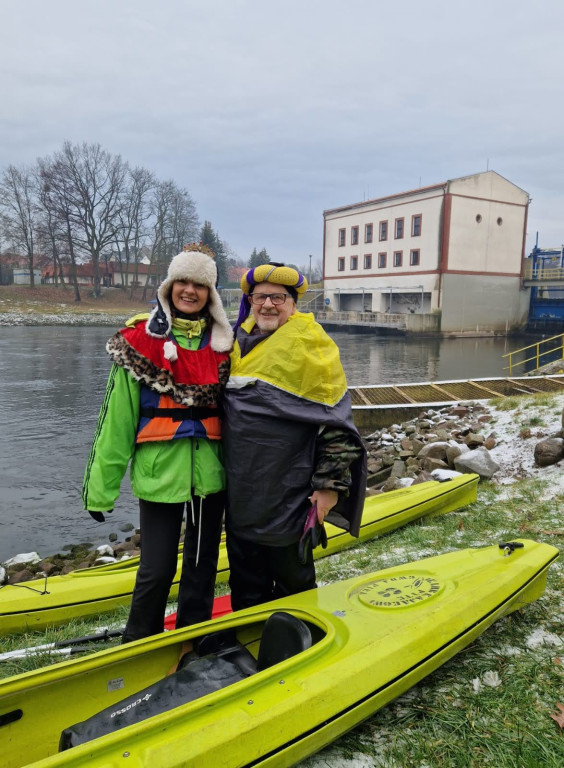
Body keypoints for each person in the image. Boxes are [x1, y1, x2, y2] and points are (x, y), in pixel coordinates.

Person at [82, 245, 233, 642]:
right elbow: (116, 424)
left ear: (211, 294)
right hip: (158, 476)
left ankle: (192, 641)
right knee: (157, 568)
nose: (190, 291)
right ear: (169, 286)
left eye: (200, 284)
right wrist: (100, 491)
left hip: (211, 478)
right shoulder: (139, 343)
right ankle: (137, 643)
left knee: (202, 567)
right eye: (183, 281)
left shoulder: (225, 348)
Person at [223, 263, 367, 611]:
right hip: (241, 493)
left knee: (295, 587)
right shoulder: (231, 344)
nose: (268, 304)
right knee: (246, 585)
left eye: (278, 297)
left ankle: (302, 643)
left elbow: (337, 424)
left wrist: (329, 487)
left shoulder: (312, 347)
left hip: (290, 495)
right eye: (260, 297)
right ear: (250, 300)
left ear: (293, 303)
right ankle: (251, 645)